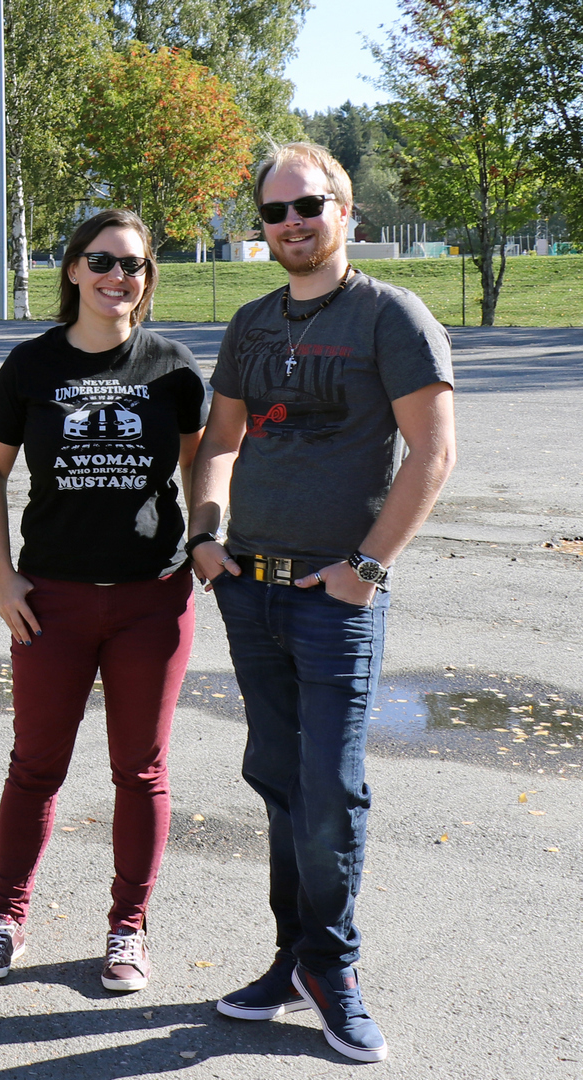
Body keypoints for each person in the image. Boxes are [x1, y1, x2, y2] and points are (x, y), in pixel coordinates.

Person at [190, 142, 455, 1064]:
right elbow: (220, 441)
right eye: (275, 211)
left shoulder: (391, 315)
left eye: (308, 205)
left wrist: (367, 568)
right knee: (277, 776)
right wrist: (205, 537)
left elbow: (432, 453)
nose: (292, 223)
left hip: (335, 598)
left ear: (345, 211)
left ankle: (334, 967)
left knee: (330, 789)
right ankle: (292, 958)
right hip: (249, 590)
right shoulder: (251, 321)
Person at [0, 208, 206, 994]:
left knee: (140, 769)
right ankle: (5, 916)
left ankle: (128, 928)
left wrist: (208, 536)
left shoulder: (172, 368)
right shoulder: (31, 365)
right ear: (72, 269)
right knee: (35, 766)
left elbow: (205, 465)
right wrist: (2, 576)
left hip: (152, 602)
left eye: (133, 264)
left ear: (147, 277)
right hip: (53, 602)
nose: (117, 277)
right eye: (101, 261)